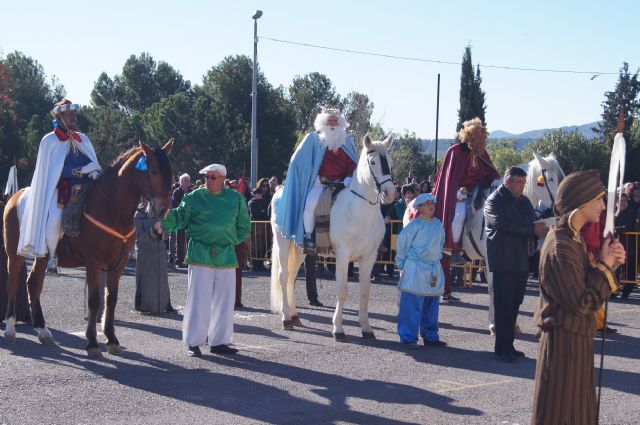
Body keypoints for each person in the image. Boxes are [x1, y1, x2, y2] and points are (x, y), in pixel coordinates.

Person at [531, 170, 625, 425]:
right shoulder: (561, 245)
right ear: (582, 201)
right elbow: (582, 302)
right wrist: (605, 266)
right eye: (598, 199)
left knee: (577, 413)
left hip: (575, 339)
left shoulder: (573, 238)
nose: (603, 206)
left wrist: (609, 264)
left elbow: (584, 285)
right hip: (563, 343)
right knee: (561, 413)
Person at [156, 163, 251, 357]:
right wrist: (165, 219)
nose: (208, 180)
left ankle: (219, 342)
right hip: (200, 254)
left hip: (225, 255)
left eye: (213, 177)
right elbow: (180, 217)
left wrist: (228, 241)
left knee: (224, 301)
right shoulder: (194, 197)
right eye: (207, 177)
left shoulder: (236, 199)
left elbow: (244, 227)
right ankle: (194, 342)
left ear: (223, 179)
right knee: (198, 299)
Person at [18, 99, 101, 273]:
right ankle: (53, 256)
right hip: (60, 186)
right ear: (60, 116)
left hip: (85, 185)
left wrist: (94, 170)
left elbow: (92, 160)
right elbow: (55, 170)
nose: (74, 117)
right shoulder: (49, 140)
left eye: (74, 114)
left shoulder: (82, 138)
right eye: (70, 114)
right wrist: (81, 170)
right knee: (56, 216)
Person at [431, 118, 500, 301]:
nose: (479, 139)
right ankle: (454, 249)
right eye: (476, 136)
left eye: (481, 136)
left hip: (478, 193)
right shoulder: (455, 151)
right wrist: (456, 192)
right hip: (458, 194)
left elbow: (491, 173)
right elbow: (447, 179)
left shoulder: (482, 153)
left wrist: (495, 181)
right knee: (459, 215)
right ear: (468, 135)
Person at [484, 167, 548, 362]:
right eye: (518, 181)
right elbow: (502, 224)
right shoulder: (494, 200)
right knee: (503, 306)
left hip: (521, 260)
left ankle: (509, 345)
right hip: (503, 260)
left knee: (514, 305)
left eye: (523, 182)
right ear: (507, 181)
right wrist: (532, 228)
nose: (521, 185)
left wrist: (544, 225)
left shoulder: (525, 201)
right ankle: (502, 349)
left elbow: (534, 220)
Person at [274, 107, 358, 254]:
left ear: (341, 123)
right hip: (321, 182)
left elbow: (353, 162)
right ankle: (308, 237)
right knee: (310, 203)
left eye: (335, 121)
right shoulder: (313, 138)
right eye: (329, 120)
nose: (332, 123)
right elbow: (297, 161)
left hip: (343, 183)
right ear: (323, 122)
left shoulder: (347, 140)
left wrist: (350, 176)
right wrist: (313, 176)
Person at [395, 193, 446, 349]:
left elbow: (441, 243)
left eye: (432, 202)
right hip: (415, 269)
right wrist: (402, 264)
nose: (431, 205)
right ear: (419, 207)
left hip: (432, 269)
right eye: (427, 203)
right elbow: (402, 244)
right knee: (411, 305)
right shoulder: (414, 226)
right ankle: (408, 338)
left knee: (431, 304)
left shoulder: (438, 224)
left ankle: (431, 336)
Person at [134, 200, 175, 314]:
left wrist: (162, 230)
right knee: (146, 280)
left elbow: (167, 232)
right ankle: (145, 306)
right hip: (145, 252)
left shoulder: (162, 212)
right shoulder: (139, 214)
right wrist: (154, 229)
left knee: (162, 279)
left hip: (160, 251)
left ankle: (165, 304)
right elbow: (139, 236)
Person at [170, 173, 191, 268]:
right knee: (179, 240)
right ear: (180, 182)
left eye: (188, 180)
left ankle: (190, 260)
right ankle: (179, 260)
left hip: (191, 219)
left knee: (190, 240)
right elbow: (175, 205)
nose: (187, 182)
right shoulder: (176, 192)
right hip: (180, 219)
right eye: (185, 180)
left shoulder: (193, 192)